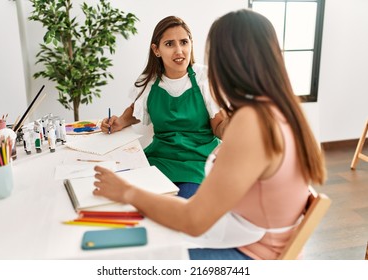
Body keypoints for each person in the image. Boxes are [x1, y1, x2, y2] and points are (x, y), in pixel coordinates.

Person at [93, 9, 326, 260]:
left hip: (251, 254)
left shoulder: (251, 121)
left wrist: (125, 191)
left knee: (134, 252)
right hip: (248, 239)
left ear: (226, 61)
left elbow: (193, 219)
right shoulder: (277, 109)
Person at [100, 16, 227, 198]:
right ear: (156, 50)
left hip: (198, 162)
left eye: (184, 42)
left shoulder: (204, 78)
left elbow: (219, 128)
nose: (179, 51)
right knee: (127, 201)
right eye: (169, 44)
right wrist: (119, 122)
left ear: (191, 43)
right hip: (160, 159)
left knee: (181, 210)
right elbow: (136, 110)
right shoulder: (149, 82)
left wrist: (237, 119)